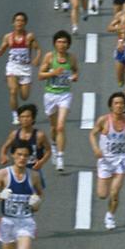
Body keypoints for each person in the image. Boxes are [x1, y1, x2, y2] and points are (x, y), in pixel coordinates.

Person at [89, 92, 125, 230]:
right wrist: (96, 148)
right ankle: (109, 205)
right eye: (116, 103)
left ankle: (110, 216)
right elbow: (92, 134)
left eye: (121, 103)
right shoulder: (103, 120)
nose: (119, 106)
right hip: (105, 161)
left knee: (114, 192)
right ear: (111, 106)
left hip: (120, 160)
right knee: (102, 195)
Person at [0, 12, 41, 125]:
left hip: (25, 69)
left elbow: (38, 49)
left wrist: (37, 58)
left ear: (25, 23)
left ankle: (22, 86)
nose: (19, 23)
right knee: (13, 91)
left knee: (24, 97)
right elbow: (1, 51)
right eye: (17, 20)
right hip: (12, 67)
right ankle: (15, 115)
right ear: (13, 23)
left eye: (22, 21)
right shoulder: (8, 37)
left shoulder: (29, 36)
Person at [38, 30, 79, 172]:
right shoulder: (49, 57)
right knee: (54, 127)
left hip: (64, 95)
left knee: (61, 126)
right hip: (50, 95)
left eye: (64, 42)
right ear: (55, 44)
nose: (62, 45)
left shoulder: (71, 58)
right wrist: (52, 73)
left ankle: (60, 157)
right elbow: (40, 75)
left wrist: (74, 76)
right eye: (59, 42)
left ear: (68, 44)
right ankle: (54, 146)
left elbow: (75, 71)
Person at [0, 104, 51, 185]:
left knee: (36, 195)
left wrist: (41, 162)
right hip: (17, 170)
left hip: (33, 170)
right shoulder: (14, 134)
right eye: (22, 117)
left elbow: (48, 151)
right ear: (19, 119)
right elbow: (5, 147)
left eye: (28, 117)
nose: (25, 119)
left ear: (33, 118)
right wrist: (3, 155)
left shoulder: (39, 135)